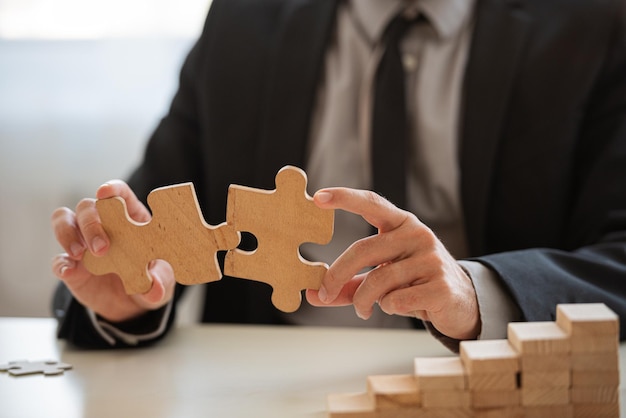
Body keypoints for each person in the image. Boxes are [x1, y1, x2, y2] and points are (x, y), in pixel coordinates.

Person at [51, 0, 626, 350]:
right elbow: (150, 230)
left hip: (484, 379)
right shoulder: (241, 23)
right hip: (266, 392)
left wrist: (479, 293)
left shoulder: (597, 25)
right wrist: (125, 302)